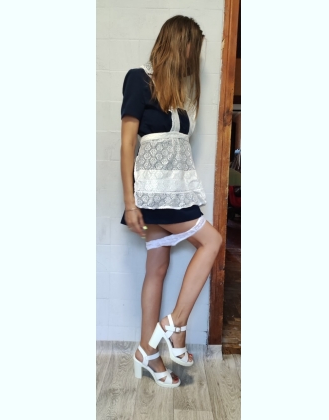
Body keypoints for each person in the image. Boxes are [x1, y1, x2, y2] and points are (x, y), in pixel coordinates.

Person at [120, 15, 222, 388]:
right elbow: (127, 144)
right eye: (193, 49)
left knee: (157, 269)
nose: (194, 59)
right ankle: (176, 325)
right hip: (152, 195)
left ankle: (146, 353)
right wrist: (131, 203)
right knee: (212, 241)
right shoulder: (139, 79)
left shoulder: (178, 95)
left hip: (175, 193)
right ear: (179, 45)